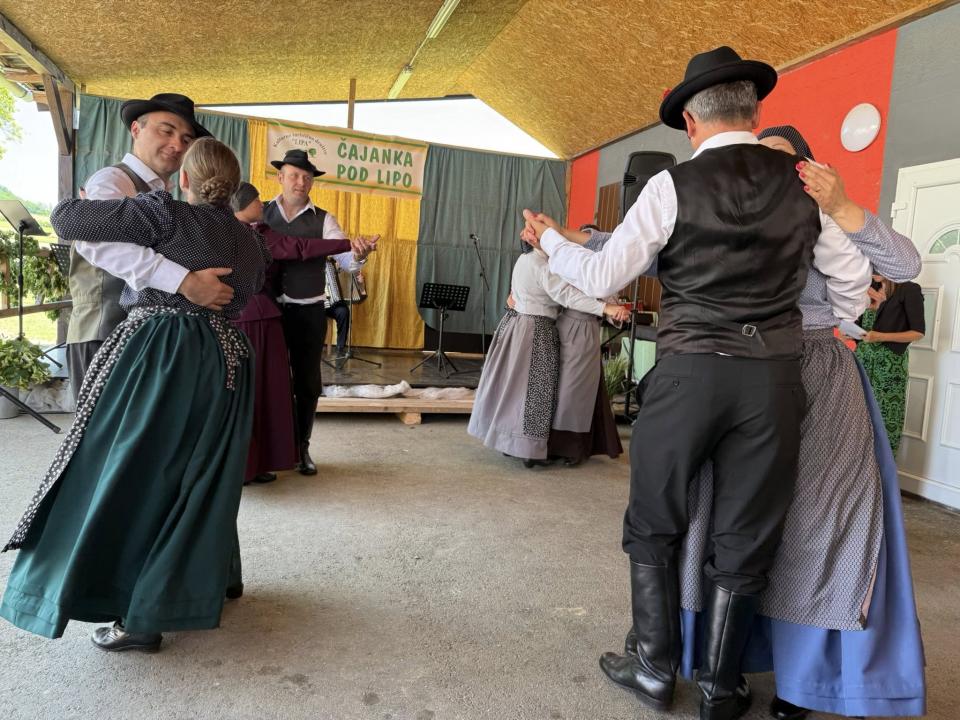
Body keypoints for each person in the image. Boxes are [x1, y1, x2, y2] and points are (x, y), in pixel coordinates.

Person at [522, 46, 870, 720]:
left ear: (689, 121)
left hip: (688, 375)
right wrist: (817, 321)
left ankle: (654, 668)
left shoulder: (669, 186)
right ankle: (720, 688)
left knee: (654, 519)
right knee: (747, 533)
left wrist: (552, 243)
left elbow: (603, 276)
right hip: (773, 380)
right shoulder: (800, 185)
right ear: (755, 111)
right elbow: (853, 282)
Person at [668, 127, 926, 720]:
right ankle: (721, 666)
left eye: (783, 160)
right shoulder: (721, 206)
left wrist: (842, 205)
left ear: (807, 170)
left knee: (820, 522)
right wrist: (567, 239)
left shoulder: (825, 216)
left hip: (818, 372)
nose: (765, 168)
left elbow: (905, 264)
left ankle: (804, 679)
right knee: (722, 517)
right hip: (733, 367)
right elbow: (643, 237)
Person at [1, 137, 269, 653]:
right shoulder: (252, 242)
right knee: (204, 473)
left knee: (137, 469)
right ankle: (209, 582)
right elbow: (249, 289)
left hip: (164, 350)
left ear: (184, 179)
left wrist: (133, 211)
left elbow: (67, 219)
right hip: (228, 358)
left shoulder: (164, 213)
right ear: (234, 188)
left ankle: (139, 617)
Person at [66, 93, 234, 402]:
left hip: (149, 336)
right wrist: (186, 283)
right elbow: (101, 245)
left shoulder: (168, 199)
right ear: (136, 129)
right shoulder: (111, 180)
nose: (177, 145)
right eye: (166, 130)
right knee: (104, 428)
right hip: (104, 328)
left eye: (186, 139)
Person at [230, 182, 360, 485]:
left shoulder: (256, 231)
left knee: (280, 386)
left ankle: (282, 453)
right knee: (256, 390)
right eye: (257, 201)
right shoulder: (251, 234)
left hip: (274, 315)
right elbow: (300, 248)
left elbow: (303, 247)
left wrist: (349, 247)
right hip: (255, 318)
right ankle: (246, 464)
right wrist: (347, 243)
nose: (261, 205)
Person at [261, 149, 376, 475]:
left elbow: (347, 261)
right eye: (294, 175)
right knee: (267, 381)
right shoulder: (260, 212)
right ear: (280, 177)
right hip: (267, 312)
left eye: (307, 177)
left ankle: (302, 447)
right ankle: (266, 453)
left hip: (308, 312)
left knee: (308, 383)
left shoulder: (324, 219)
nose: (301, 182)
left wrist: (359, 255)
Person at [468, 241, 629, 467]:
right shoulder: (545, 265)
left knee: (522, 389)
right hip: (539, 328)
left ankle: (516, 444)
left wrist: (610, 310)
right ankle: (526, 449)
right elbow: (566, 295)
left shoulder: (530, 260)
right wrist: (605, 308)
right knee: (535, 391)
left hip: (530, 326)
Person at [856, 275, 925, 454]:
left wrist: (880, 336)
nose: (874, 270)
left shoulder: (908, 290)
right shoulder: (868, 289)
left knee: (886, 417)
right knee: (858, 416)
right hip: (862, 361)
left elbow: (918, 332)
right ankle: (860, 469)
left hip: (889, 366)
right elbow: (859, 326)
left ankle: (886, 470)